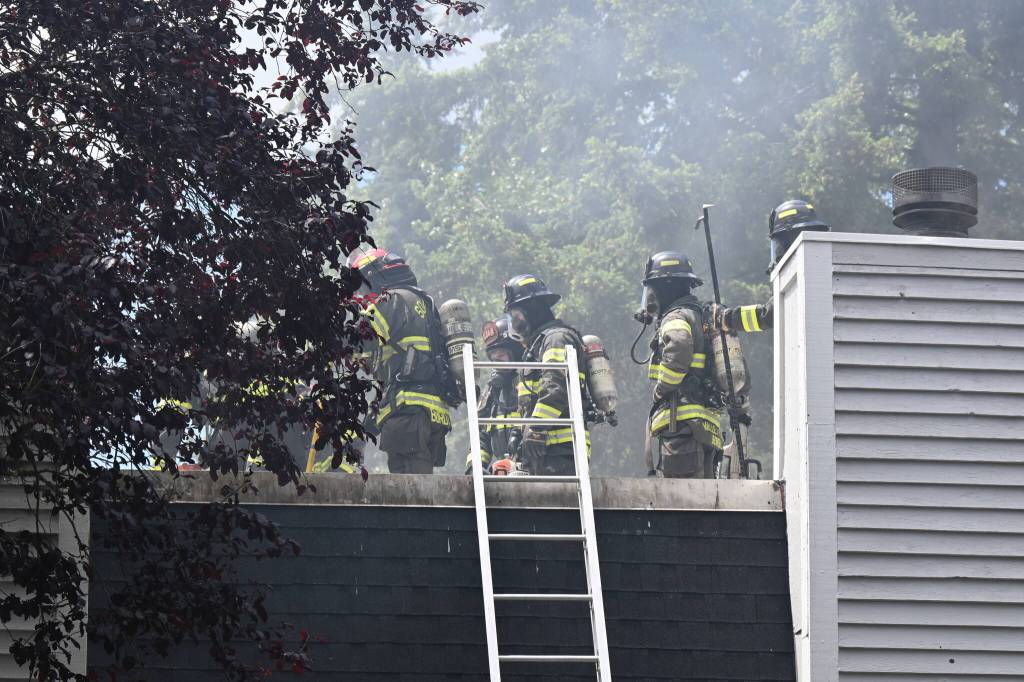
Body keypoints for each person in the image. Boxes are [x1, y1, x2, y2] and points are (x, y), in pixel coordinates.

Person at [347, 248, 452, 474]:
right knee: (420, 482)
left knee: (410, 492)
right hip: (430, 411)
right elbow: (399, 370)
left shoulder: (391, 299)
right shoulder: (423, 302)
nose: (363, 295)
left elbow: (360, 339)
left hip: (408, 413)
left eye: (364, 285)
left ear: (375, 277)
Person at [641, 252, 723, 479]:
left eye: (653, 289)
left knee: (684, 504)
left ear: (664, 287)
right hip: (705, 428)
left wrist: (660, 390)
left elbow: (678, 347)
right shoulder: (702, 316)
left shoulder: (675, 316)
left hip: (682, 428)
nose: (651, 298)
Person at [501, 274, 589, 475]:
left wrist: (537, 428)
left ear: (530, 311)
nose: (513, 323)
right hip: (542, 450)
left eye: (515, 315)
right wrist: (518, 431)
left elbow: (555, 387)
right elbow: (527, 400)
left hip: (561, 449)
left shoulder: (556, 338)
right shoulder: (537, 345)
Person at [710, 199, 829, 335]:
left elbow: (767, 315)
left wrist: (726, 318)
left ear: (790, 240)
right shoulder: (825, 265)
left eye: (778, 245)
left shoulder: (805, 276)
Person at [465, 316, 524, 474]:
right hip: (503, 471)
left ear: (516, 352)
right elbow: (481, 436)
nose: (496, 361)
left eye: (502, 355)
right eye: (493, 357)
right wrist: (475, 467)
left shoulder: (529, 384)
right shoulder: (491, 392)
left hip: (531, 468)